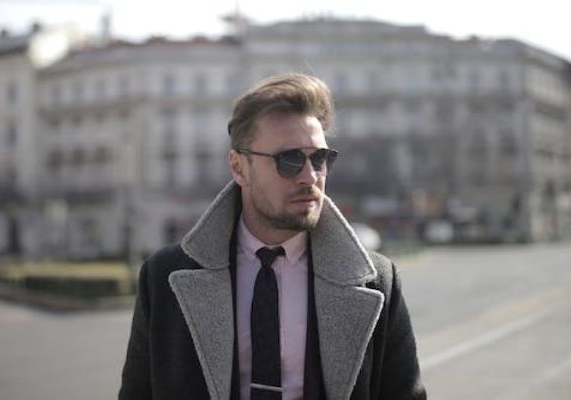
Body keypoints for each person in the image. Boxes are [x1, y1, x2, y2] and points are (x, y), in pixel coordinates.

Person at [119, 73, 426, 400]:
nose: (310, 177)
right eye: (289, 160)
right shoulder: (163, 277)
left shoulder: (377, 282)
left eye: (319, 158)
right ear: (239, 168)